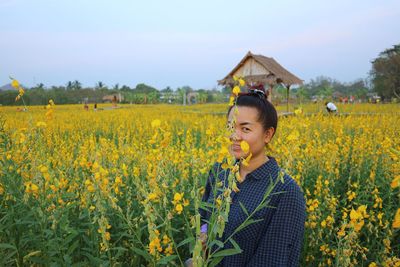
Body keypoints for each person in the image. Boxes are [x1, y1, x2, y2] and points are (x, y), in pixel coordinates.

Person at [198, 89, 306, 266]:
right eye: (231, 127)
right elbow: (203, 218)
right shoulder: (219, 171)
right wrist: (201, 241)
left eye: (245, 129)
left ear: (267, 135)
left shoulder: (285, 191)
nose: (234, 135)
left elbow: (274, 260)